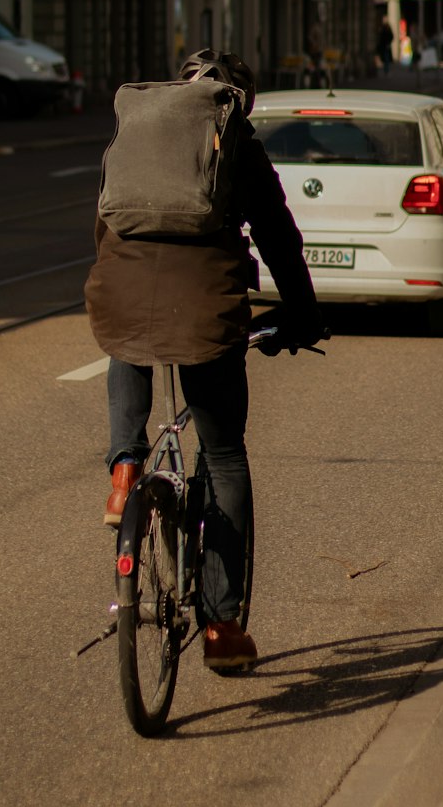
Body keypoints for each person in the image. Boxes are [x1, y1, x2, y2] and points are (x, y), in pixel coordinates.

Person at [85, 49, 324, 673]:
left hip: (119, 285)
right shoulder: (237, 140)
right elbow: (277, 236)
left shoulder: (141, 128)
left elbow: (107, 218)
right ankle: (221, 626)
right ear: (237, 100)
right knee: (222, 456)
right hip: (206, 307)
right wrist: (301, 314)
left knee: (129, 339)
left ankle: (125, 467)